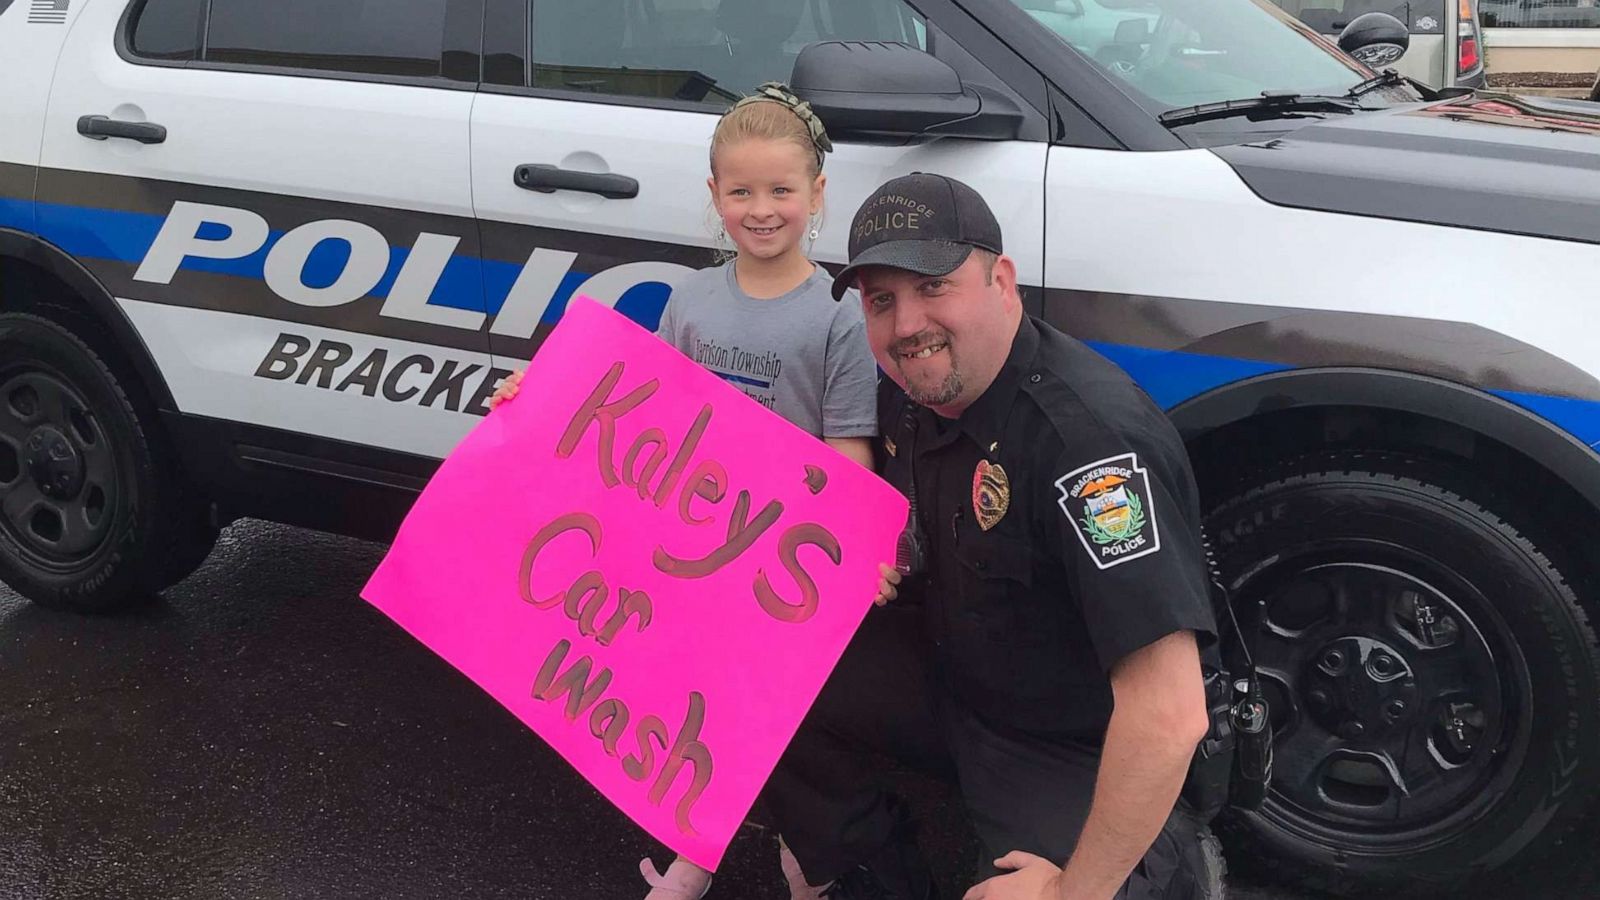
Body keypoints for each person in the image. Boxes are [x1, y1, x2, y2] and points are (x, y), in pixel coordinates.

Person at [760, 173, 1222, 900]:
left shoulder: (1087, 445)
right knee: (760, 663)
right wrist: (553, 415)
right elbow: (736, 465)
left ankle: (1161, 861)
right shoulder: (910, 390)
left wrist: (1072, 894)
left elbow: (1168, 712)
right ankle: (868, 873)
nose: (907, 324)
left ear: (1001, 281)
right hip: (955, 678)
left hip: (1068, 743)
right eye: (882, 300)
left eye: (933, 287)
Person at [490, 83, 899, 900]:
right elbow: (643, 409)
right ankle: (695, 852)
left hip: (781, 563)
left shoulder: (838, 316)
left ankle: (799, 850)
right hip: (694, 549)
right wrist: (539, 394)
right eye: (741, 191)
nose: (761, 209)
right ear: (714, 197)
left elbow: (850, 453)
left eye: (782, 190)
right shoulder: (691, 299)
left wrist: (854, 550)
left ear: (817, 194)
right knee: (690, 707)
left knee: (768, 712)